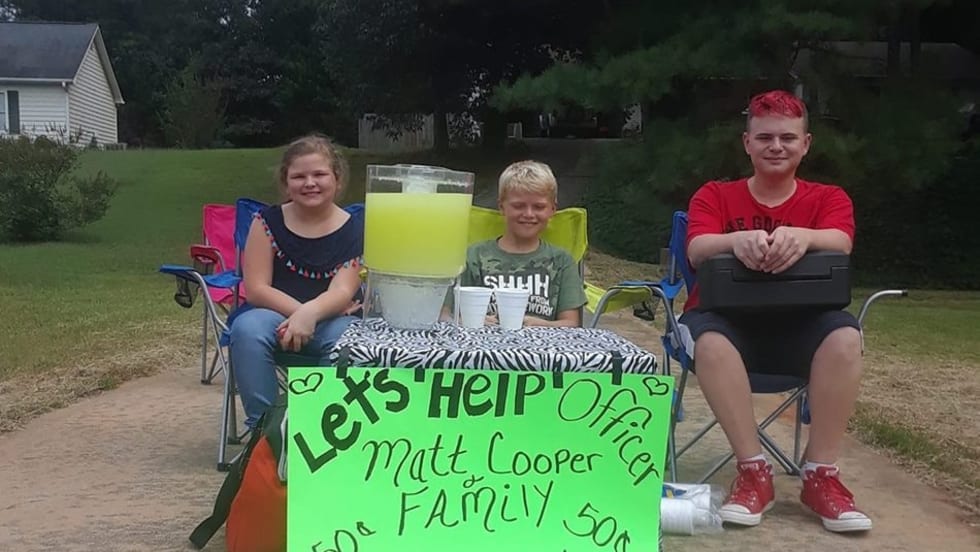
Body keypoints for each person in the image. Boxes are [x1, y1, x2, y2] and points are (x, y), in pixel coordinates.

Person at [680, 90, 870, 533]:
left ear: (806, 144)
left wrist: (804, 236)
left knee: (845, 336)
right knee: (710, 342)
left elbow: (841, 242)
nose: (776, 147)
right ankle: (753, 472)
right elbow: (697, 248)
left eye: (788, 138)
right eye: (765, 137)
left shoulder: (828, 198)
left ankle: (820, 476)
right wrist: (734, 241)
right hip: (725, 321)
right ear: (747, 143)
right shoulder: (715, 195)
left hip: (800, 324)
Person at [230, 134, 363, 428]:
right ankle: (266, 431)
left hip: (332, 319)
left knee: (349, 340)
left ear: (337, 178)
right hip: (274, 315)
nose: (309, 183)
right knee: (247, 329)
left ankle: (318, 429)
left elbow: (343, 290)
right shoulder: (266, 221)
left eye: (319, 174)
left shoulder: (354, 229)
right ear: (286, 181)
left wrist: (310, 315)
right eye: (299, 176)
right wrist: (300, 315)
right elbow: (257, 289)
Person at [459, 160, 587, 327]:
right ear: (502, 207)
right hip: (483, 341)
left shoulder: (562, 261)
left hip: (544, 343)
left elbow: (571, 323)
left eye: (539, 207)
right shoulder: (473, 257)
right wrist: (469, 322)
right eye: (518, 206)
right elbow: (447, 316)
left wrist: (541, 326)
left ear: (552, 210)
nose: (528, 214)